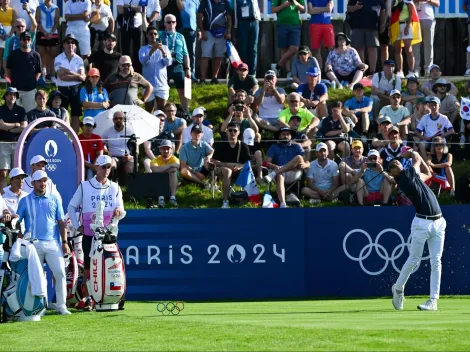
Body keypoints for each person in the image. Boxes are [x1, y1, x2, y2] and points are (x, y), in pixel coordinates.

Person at [67, 154, 125, 312]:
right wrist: (77, 224)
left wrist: (119, 210)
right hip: (89, 234)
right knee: (88, 267)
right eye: (103, 167)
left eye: (109, 167)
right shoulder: (85, 186)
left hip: (109, 235)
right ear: (96, 168)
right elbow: (71, 207)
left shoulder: (115, 187)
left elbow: (121, 207)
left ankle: (114, 296)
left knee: (111, 264)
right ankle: (87, 298)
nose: (107, 170)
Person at [389, 158, 446, 311]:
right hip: (422, 224)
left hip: (439, 222)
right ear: (393, 173)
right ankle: (398, 289)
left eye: (396, 162)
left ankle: (433, 300)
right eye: (392, 166)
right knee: (414, 259)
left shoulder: (411, 175)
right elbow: (416, 161)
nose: (395, 164)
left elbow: (420, 167)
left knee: (436, 261)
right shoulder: (404, 179)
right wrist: (411, 152)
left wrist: (413, 155)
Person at [16, 170, 71, 315]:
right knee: (37, 276)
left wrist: (64, 242)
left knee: (60, 272)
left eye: (45, 180)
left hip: (52, 242)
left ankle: (61, 305)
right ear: (33, 183)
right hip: (33, 244)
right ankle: (41, 306)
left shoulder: (54, 199)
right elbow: (17, 222)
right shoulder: (25, 201)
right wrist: (21, 237)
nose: (43, 183)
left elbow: (61, 222)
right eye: (39, 181)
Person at [263, 127, 309, 208]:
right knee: (280, 175)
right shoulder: (274, 147)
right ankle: (283, 203)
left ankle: (275, 173)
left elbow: (307, 162)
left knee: (298, 157)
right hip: (280, 172)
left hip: (295, 172)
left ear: (291, 136)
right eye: (283, 134)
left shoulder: (297, 146)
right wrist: (274, 166)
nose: (286, 136)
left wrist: (304, 165)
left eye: (288, 134)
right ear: (279, 136)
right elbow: (265, 163)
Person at [212, 122, 251, 208]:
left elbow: (248, 162)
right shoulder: (220, 144)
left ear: (239, 132)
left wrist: (240, 166)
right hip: (222, 169)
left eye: (235, 130)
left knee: (246, 169)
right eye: (230, 130)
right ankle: (225, 201)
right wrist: (225, 165)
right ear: (226, 132)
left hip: (238, 170)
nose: (232, 132)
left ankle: (246, 197)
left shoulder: (243, 146)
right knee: (228, 171)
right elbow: (213, 160)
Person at [54, 34, 86, 133]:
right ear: (63, 45)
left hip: (76, 89)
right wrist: (77, 76)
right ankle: (61, 138)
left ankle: (74, 140)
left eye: (73, 42)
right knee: (61, 115)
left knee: (75, 115)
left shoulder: (79, 59)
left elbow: (83, 77)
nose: (70, 44)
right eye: (68, 42)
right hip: (63, 89)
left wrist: (67, 71)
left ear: (75, 45)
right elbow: (61, 76)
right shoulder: (58, 58)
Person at [159, 14, 191, 112]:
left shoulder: (180, 36)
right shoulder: (160, 35)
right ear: (165, 24)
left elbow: (186, 53)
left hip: (178, 66)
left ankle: (187, 110)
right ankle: (163, 112)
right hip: (164, 66)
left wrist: (188, 68)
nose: (171, 24)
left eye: (173, 22)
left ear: (176, 23)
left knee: (185, 88)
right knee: (163, 90)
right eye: (169, 22)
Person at [6, 30, 42, 113]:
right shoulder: (13, 54)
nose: (26, 41)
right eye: (24, 39)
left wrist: (32, 81)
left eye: (28, 39)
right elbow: (8, 69)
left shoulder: (36, 55)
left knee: (31, 115)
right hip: (15, 91)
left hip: (30, 90)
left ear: (30, 40)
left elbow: (38, 71)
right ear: (20, 40)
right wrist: (13, 81)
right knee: (13, 115)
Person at [346, 0, 386, 75]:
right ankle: (361, 71)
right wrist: (355, 7)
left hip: (373, 28)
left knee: (372, 48)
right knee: (358, 48)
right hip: (356, 27)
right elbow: (348, 8)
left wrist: (383, 25)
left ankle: (372, 71)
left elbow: (383, 11)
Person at [139, 26, 172, 113]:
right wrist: (151, 51)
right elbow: (143, 61)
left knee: (161, 111)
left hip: (161, 84)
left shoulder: (165, 48)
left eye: (155, 34)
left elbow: (168, 63)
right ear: (147, 36)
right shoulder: (143, 49)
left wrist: (163, 52)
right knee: (149, 111)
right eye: (151, 34)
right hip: (148, 85)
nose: (153, 36)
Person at [197, 0, 231, 84]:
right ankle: (202, 79)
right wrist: (202, 31)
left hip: (222, 33)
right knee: (205, 56)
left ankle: (214, 78)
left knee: (218, 56)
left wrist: (228, 31)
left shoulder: (225, 2)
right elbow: (199, 16)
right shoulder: (205, 2)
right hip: (208, 32)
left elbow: (229, 18)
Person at [270, 0, 305, 77]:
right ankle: (288, 72)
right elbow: (272, 10)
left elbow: (303, 10)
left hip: (295, 24)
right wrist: (283, 5)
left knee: (294, 48)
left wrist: (296, 4)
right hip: (282, 24)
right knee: (284, 49)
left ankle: (277, 66)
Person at [390, 0, 420, 78]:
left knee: (408, 49)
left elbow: (411, 14)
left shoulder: (408, 1)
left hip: (406, 25)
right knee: (397, 49)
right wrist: (390, 29)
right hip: (395, 26)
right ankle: (400, 71)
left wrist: (407, 26)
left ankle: (411, 71)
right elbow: (391, 15)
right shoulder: (394, 2)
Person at [102, 111, 136, 180]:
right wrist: (105, 150)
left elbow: (135, 146)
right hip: (113, 157)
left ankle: (130, 188)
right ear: (113, 120)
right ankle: (111, 186)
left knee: (129, 168)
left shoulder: (130, 131)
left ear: (124, 119)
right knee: (111, 165)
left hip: (127, 157)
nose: (118, 120)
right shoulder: (107, 131)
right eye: (116, 118)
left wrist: (131, 156)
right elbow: (102, 143)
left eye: (120, 118)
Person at [411, 0, 439, 78]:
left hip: (429, 18)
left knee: (428, 45)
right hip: (415, 18)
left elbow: (437, 4)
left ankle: (428, 69)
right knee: (415, 45)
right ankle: (416, 70)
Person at [233, 0, 260, 77]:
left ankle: (252, 74)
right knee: (243, 49)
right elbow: (235, 11)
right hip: (242, 22)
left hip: (254, 21)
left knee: (253, 49)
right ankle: (243, 72)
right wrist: (235, 26)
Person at [116, 0, 144, 72]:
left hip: (137, 26)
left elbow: (141, 9)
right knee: (125, 50)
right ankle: (125, 71)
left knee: (137, 51)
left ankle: (137, 71)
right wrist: (135, 9)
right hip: (125, 26)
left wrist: (128, 6)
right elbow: (120, 10)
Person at [150, 139, 180, 207]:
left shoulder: (174, 158)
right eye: (163, 149)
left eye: (168, 149)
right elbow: (154, 169)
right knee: (158, 173)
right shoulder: (155, 160)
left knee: (173, 172)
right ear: (160, 150)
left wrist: (161, 169)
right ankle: (161, 198)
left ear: (171, 150)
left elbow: (176, 167)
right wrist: (169, 166)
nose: (166, 151)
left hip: (172, 181)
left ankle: (172, 197)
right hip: (158, 182)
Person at [35, 0, 59, 80]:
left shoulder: (56, 8)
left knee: (53, 54)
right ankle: (42, 75)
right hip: (42, 33)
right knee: (41, 54)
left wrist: (51, 33)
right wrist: (45, 33)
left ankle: (52, 74)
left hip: (53, 33)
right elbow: (38, 22)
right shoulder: (39, 8)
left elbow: (56, 22)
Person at [307, 0, 334, 69]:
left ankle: (332, 70)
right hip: (314, 25)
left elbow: (329, 9)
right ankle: (319, 72)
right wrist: (323, 9)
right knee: (316, 49)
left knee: (331, 49)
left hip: (327, 25)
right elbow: (310, 11)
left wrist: (316, 9)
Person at [0, 167, 28, 232]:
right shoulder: (2, 193)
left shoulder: (26, 196)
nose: (21, 181)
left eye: (22, 178)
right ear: (11, 180)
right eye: (18, 178)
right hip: (7, 233)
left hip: (24, 233)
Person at [179, 0, 199, 81]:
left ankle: (192, 73)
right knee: (179, 52)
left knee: (191, 53)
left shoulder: (196, 1)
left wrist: (199, 30)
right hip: (179, 29)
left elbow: (198, 16)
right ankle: (180, 73)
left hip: (191, 29)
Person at [0, 0, 17, 75]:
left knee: (9, 54)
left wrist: (10, 34)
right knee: (0, 54)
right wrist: (0, 35)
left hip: (10, 35)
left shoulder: (13, 11)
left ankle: (8, 72)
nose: (5, 1)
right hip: (0, 35)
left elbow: (14, 24)